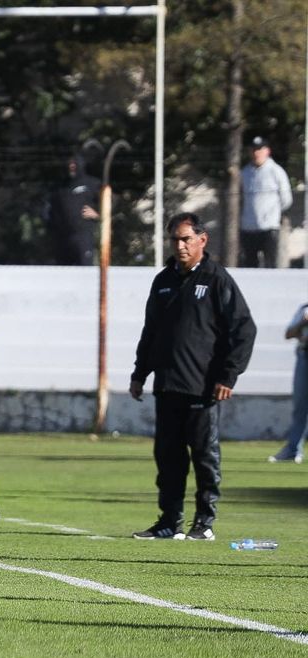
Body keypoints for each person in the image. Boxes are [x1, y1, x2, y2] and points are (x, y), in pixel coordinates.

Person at [129, 212, 256, 541]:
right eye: (175, 239)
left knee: (204, 457)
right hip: (167, 385)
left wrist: (228, 375)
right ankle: (170, 522)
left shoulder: (217, 279)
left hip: (203, 388)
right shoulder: (163, 280)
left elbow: (244, 330)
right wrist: (140, 372)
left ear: (202, 240)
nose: (180, 245)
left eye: (186, 239)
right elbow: (151, 331)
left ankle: (205, 522)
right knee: (168, 459)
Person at [240, 136, 292, 268]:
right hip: (249, 228)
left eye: (259, 149)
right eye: (253, 150)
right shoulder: (245, 172)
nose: (256, 153)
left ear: (267, 151)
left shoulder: (276, 171)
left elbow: (286, 199)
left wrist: (272, 215)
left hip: (269, 228)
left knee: (271, 264)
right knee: (250, 265)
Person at [269, 300, 308, 464]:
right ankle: (293, 449)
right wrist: (303, 322)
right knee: (301, 406)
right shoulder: (305, 309)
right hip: (305, 356)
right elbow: (288, 333)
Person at [43, 155, 101, 265]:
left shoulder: (92, 184)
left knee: (85, 271)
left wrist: (98, 214)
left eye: (74, 164)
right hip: (62, 239)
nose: (71, 166)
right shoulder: (59, 187)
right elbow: (47, 209)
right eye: (69, 164)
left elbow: (110, 203)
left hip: (83, 237)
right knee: (63, 274)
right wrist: (51, 227)